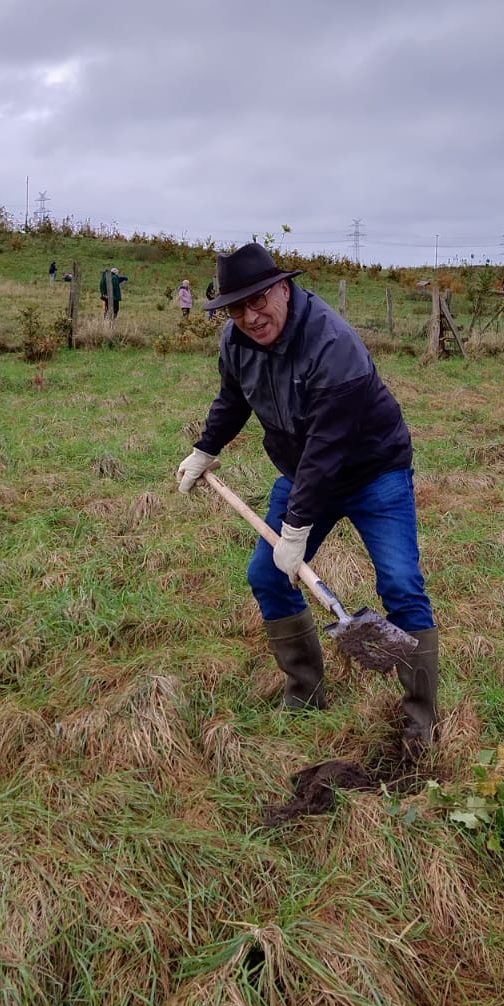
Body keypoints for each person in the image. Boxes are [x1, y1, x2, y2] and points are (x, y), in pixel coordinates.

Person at [176, 243, 438, 753]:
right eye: (236, 308)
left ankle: (420, 720)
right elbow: (234, 399)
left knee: (401, 584)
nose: (251, 317)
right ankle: (305, 691)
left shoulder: (333, 344)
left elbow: (329, 447)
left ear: (282, 288)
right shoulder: (237, 340)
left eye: (258, 302)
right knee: (266, 575)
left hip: (372, 471)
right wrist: (205, 450)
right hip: (301, 469)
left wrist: (295, 530)